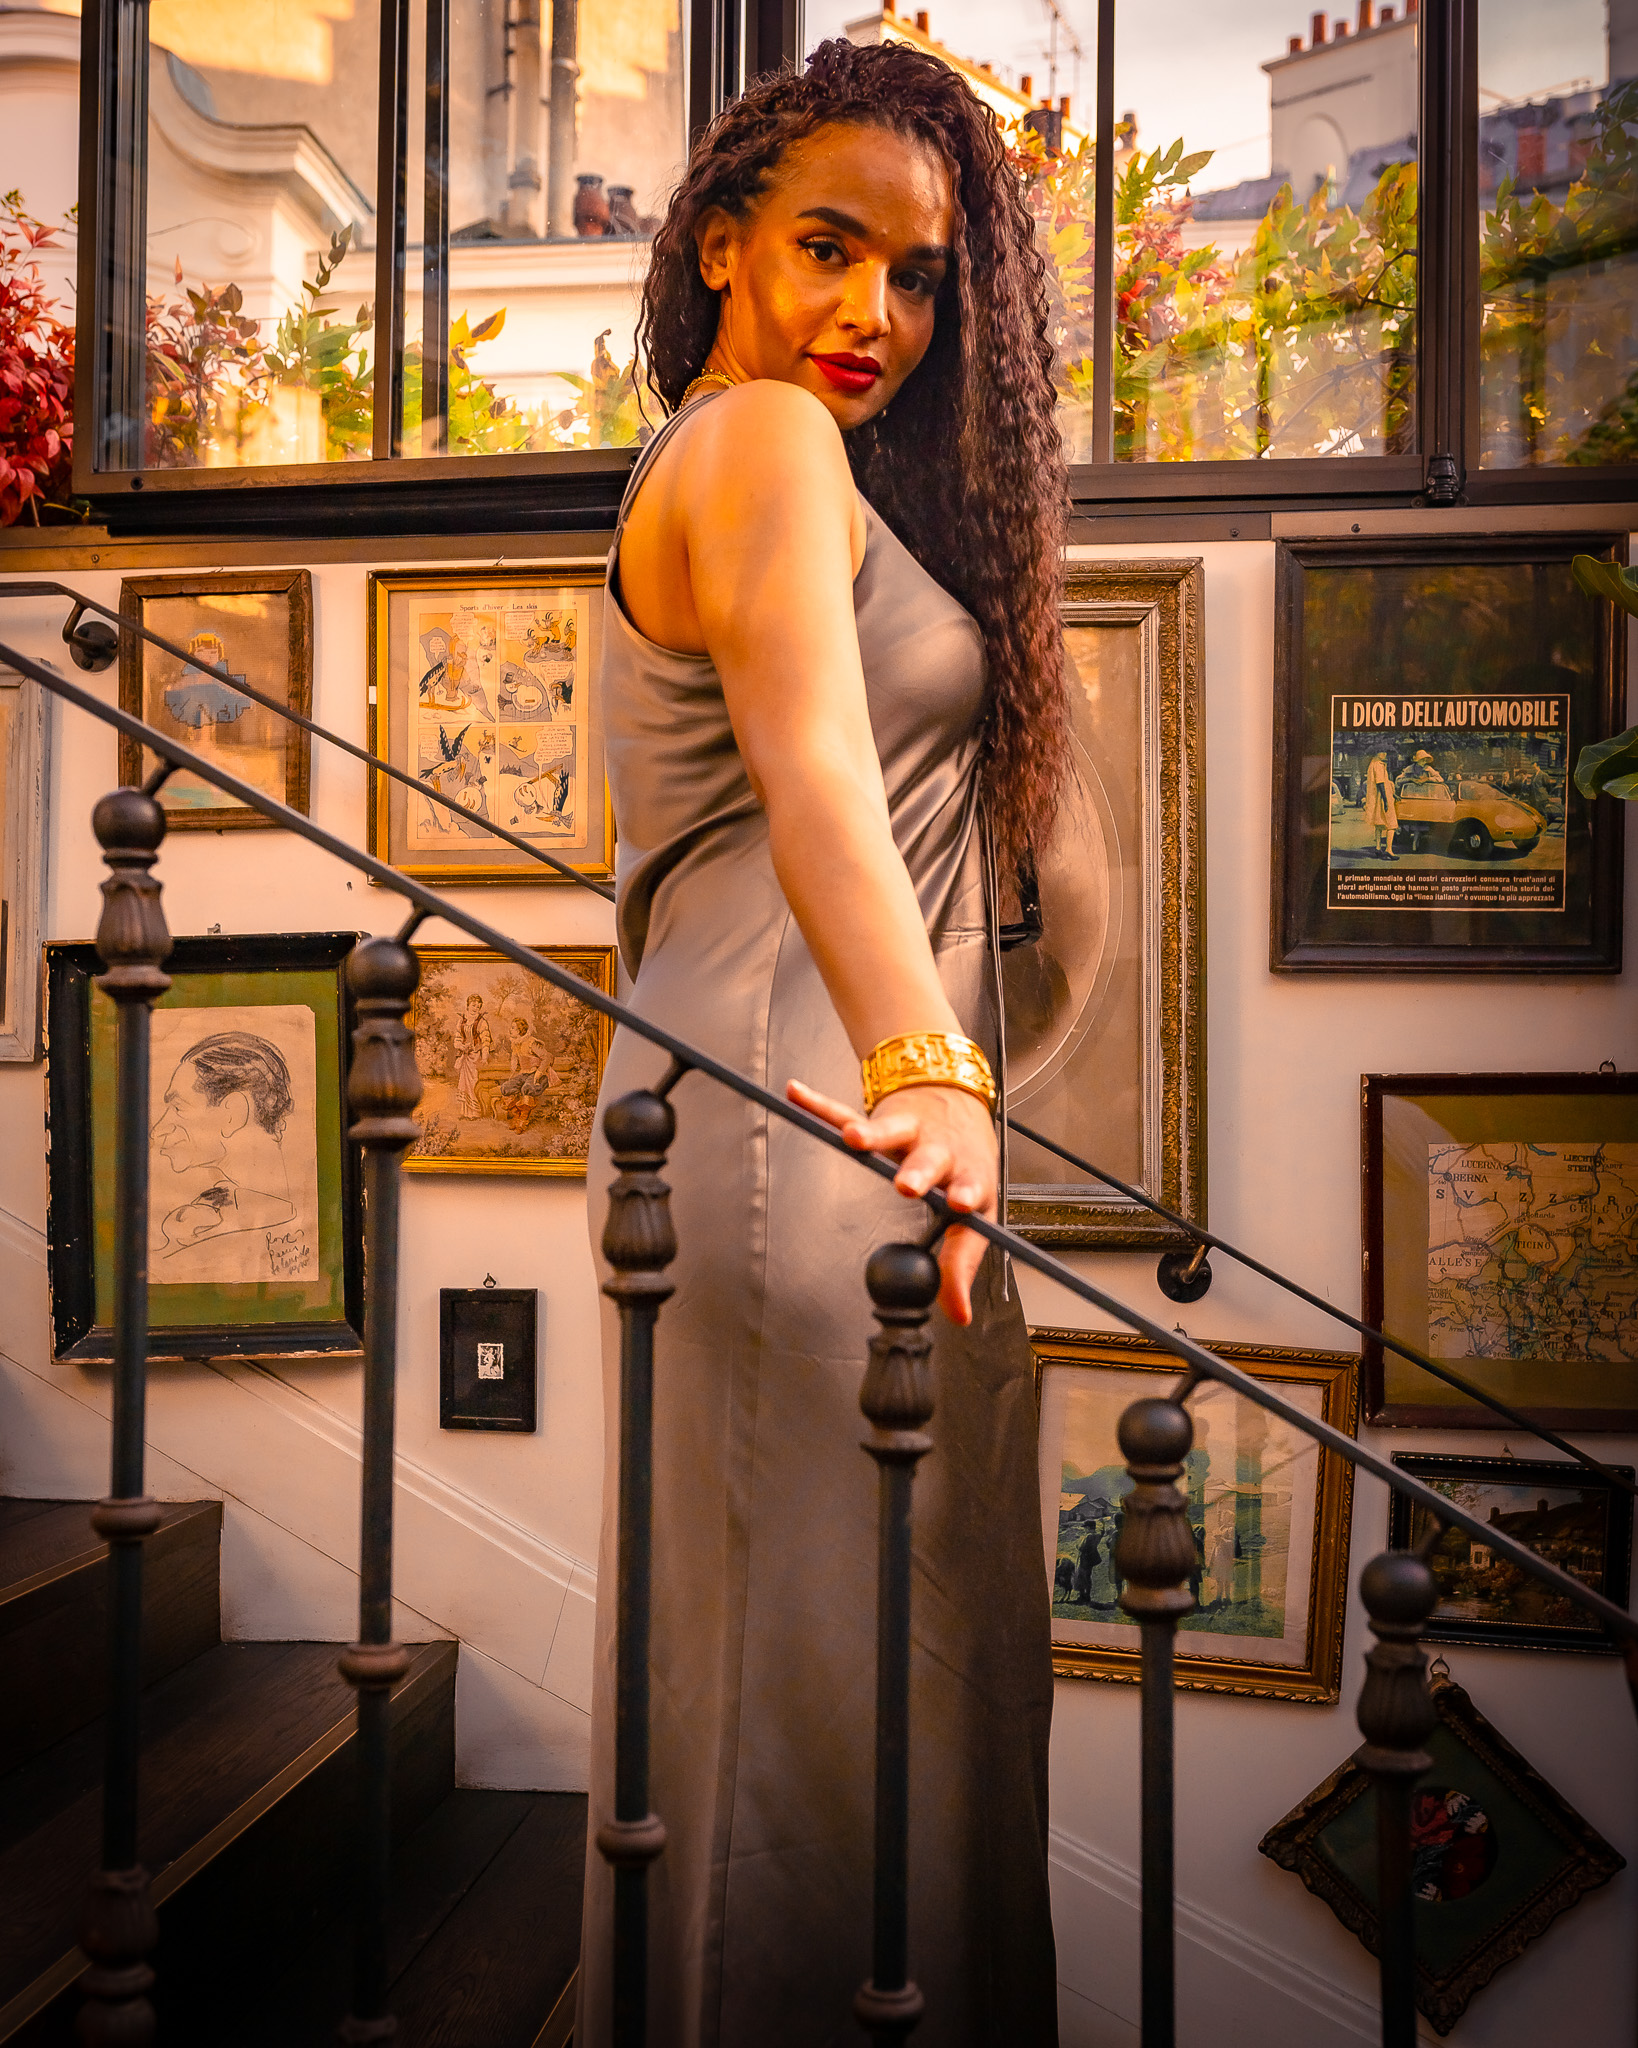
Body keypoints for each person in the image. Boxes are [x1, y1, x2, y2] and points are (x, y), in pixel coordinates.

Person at [578, 38, 1065, 2048]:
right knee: (814, 1708)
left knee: (859, 1676)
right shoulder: (760, 437)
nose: (876, 310)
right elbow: (813, 778)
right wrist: (928, 1072)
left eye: (920, 275)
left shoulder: (782, 461)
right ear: (719, 242)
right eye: (827, 248)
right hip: (803, 1106)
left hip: (806, 1093)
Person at [1364, 748, 1398, 859]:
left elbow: (1384, 783)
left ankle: (1378, 847)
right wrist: (1386, 800)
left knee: (1378, 823)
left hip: (1378, 797)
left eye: (1385, 752)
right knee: (1392, 824)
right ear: (1376, 753)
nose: (1384, 754)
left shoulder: (1372, 764)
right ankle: (1389, 849)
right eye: (1382, 752)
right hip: (1383, 797)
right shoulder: (1378, 765)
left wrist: (1393, 794)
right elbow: (1380, 783)